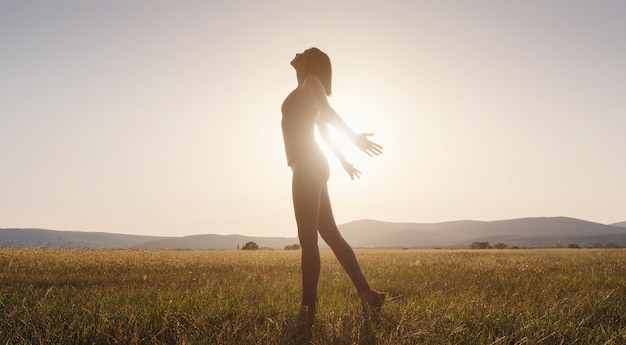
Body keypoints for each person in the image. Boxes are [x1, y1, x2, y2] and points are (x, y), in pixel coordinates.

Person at [281, 47, 385, 326]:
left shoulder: (310, 81)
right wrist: (343, 162)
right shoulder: (305, 87)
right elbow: (324, 132)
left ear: (311, 62)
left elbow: (327, 113)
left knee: (308, 239)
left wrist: (352, 138)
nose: (296, 52)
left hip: (308, 164)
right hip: (314, 163)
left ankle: (308, 310)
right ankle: (368, 294)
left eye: (303, 51)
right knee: (330, 234)